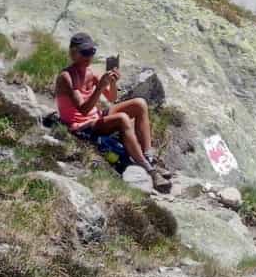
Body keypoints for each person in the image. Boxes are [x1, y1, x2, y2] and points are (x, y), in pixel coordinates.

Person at [55, 31, 171, 190]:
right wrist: (100, 87)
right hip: (80, 126)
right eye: (85, 52)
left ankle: (149, 157)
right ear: (73, 53)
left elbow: (111, 97)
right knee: (123, 118)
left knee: (140, 103)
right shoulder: (66, 77)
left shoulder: (89, 72)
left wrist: (113, 82)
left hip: (94, 117)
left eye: (91, 52)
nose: (89, 56)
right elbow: (83, 110)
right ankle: (149, 170)